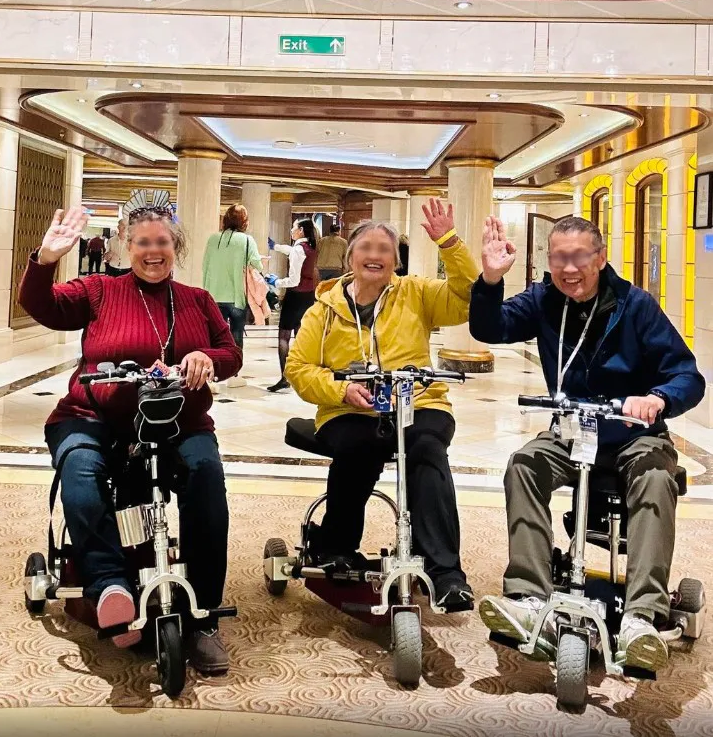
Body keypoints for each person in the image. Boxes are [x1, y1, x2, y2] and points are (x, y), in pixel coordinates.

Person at [470, 215, 705, 672]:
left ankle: (641, 616)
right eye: (559, 258)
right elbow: (490, 328)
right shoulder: (543, 299)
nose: (568, 268)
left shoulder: (635, 306)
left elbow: (687, 376)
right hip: (572, 432)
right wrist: (491, 280)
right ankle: (529, 597)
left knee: (657, 479)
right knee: (524, 463)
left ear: (600, 258)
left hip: (634, 436)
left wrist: (657, 398)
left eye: (578, 256)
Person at [19, 204, 242, 675]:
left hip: (180, 422)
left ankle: (203, 617)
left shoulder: (197, 300)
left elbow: (230, 353)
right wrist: (46, 259)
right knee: (80, 469)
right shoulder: (100, 290)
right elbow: (42, 306)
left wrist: (207, 357)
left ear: (176, 247)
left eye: (162, 242)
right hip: (94, 417)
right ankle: (111, 587)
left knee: (206, 477)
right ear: (127, 246)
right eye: (143, 242)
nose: (153, 251)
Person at [284, 199, 479, 610]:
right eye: (366, 248)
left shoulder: (417, 293)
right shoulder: (322, 310)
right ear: (350, 257)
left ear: (396, 260)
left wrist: (449, 242)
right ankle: (335, 547)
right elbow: (298, 368)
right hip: (348, 409)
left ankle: (445, 573)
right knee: (357, 446)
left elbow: (466, 296)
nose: (374, 256)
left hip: (418, 403)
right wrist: (340, 391)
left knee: (426, 448)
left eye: (384, 250)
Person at [265, 218, 318, 393]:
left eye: (294, 227)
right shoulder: (310, 247)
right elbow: (292, 251)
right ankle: (303, 375)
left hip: (295, 296)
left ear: (301, 230)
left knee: (284, 337)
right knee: (301, 336)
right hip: (308, 296)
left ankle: (285, 378)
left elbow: (294, 280)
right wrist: (276, 247)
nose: (291, 230)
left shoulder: (298, 250)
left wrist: (276, 282)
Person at [202, 204, 263, 350]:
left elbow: (205, 266)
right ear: (244, 221)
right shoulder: (247, 240)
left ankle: (219, 360)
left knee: (217, 337)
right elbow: (258, 265)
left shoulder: (213, 239)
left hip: (214, 296)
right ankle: (235, 362)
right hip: (237, 296)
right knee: (236, 337)